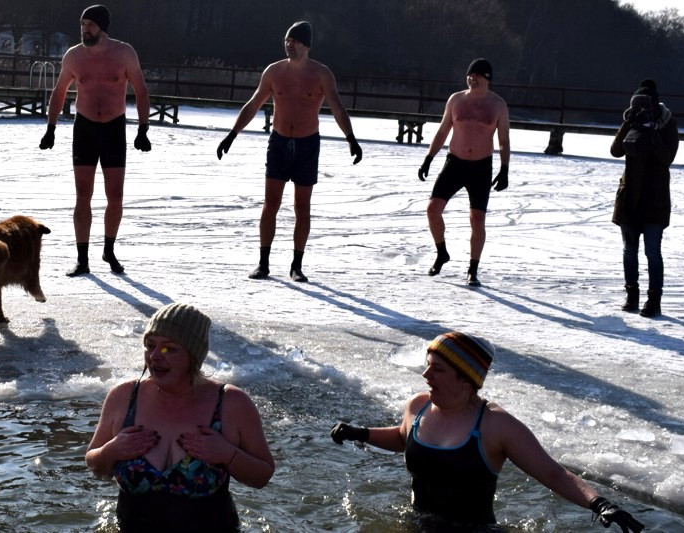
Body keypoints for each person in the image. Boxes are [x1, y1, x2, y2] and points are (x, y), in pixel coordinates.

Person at [331, 331, 645, 531]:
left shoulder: (495, 425)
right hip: (417, 523)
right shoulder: (418, 405)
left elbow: (554, 474)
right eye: (428, 365)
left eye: (437, 369)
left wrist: (598, 503)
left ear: (466, 379)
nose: (426, 374)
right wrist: (362, 433)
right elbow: (403, 437)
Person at [86, 303, 275, 531]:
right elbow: (94, 463)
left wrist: (228, 454)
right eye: (149, 345)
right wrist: (111, 451)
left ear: (193, 354)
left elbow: (263, 476)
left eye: (168, 348)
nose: (154, 356)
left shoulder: (230, 403)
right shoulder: (124, 397)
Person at [216, 20, 363, 283]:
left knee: (302, 206)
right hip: (280, 142)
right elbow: (253, 104)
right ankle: (263, 262)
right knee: (270, 203)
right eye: (287, 40)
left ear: (306, 45)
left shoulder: (321, 74)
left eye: (294, 41)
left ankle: (297, 264)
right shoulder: (273, 72)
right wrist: (232, 135)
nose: (289, 45)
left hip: (307, 144)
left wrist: (350, 138)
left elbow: (338, 108)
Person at [39, 4, 151, 277]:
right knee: (83, 195)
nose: (84, 29)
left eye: (89, 24)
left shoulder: (124, 52)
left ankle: (109, 250)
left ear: (102, 27)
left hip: (114, 129)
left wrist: (143, 129)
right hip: (85, 129)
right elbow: (59, 92)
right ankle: (82, 258)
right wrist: (50, 127)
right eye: (82, 25)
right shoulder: (74, 56)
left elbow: (140, 90)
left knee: (115, 196)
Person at [418, 58, 510, 287]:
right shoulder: (456, 100)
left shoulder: (498, 105)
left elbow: (504, 140)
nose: (472, 79)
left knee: (477, 219)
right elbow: (442, 131)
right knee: (432, 209)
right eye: (470, 75)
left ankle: (473, 268)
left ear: (487, 79)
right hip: (455, 163)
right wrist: (429, 159)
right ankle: (442, 253)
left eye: (477, 76)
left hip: (481, 167)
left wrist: (505, 168)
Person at [610, 79, 678, 317]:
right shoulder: (632, 121)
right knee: (629, 251)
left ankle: (654, 301)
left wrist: (653, 133)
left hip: (655, 200)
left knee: (652, 251)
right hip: (629, 198)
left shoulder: (667, 124)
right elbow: (616, 151)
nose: (641, 111)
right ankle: (632, 295)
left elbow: (667, 157)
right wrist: (628, 123)